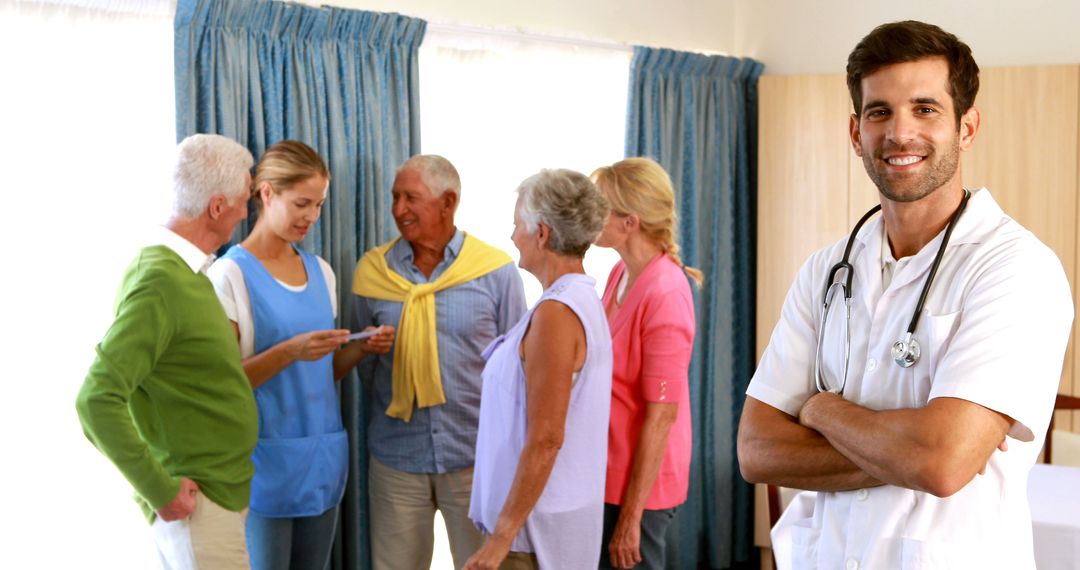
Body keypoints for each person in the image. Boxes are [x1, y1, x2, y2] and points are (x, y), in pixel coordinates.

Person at [737, 20, 1073, 569]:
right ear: (855, 132)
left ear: (967, 128)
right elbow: (756, 450)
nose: (899, 133)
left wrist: (819, 410)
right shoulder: (828, 269)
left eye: (925, 109)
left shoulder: (1015, 268)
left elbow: (941, 462)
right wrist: (914, 450)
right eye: (879, 112)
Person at [206, 140, 394, 570]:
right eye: (302, 203)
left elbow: (322, 373)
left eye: (319, 205)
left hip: (320, 461)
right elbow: (227, 383)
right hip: (263, 466)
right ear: (267, 193)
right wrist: (291, 351)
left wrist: (363, 347)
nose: (311, 216)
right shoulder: (228, 275)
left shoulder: (320, 271)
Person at [75, 134, 259, 569]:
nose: (247, 210)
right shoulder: (160, 282)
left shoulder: (187, 273)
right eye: (244, 198)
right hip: (198, 502)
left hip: (217, 493)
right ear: (217, 207)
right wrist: (158, 488)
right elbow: (96, 399)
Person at [350, 155, 527, 569]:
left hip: (475, 459)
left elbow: (517, 369)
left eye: (410, 198)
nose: (398, 210)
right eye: (395, 197)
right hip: (396, 459)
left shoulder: (496, 272)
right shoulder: (372, 272)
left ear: (448, 202)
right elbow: (364, 363)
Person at [466, 169, 614, 570]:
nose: (513, 235)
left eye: (517, 224)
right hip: (539, 521)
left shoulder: (557, 314)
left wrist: (501, 537)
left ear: (542, 233)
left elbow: (547, 436)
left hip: (533, 534)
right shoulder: (571, 300)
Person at [591, 158, 700, 569]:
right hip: (608, 470)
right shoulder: (620, 272)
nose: (591, 217)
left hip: (641, 487)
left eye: (600, 208)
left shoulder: (666, 292)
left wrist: (631, 518)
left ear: (629, 222)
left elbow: (661, 415)